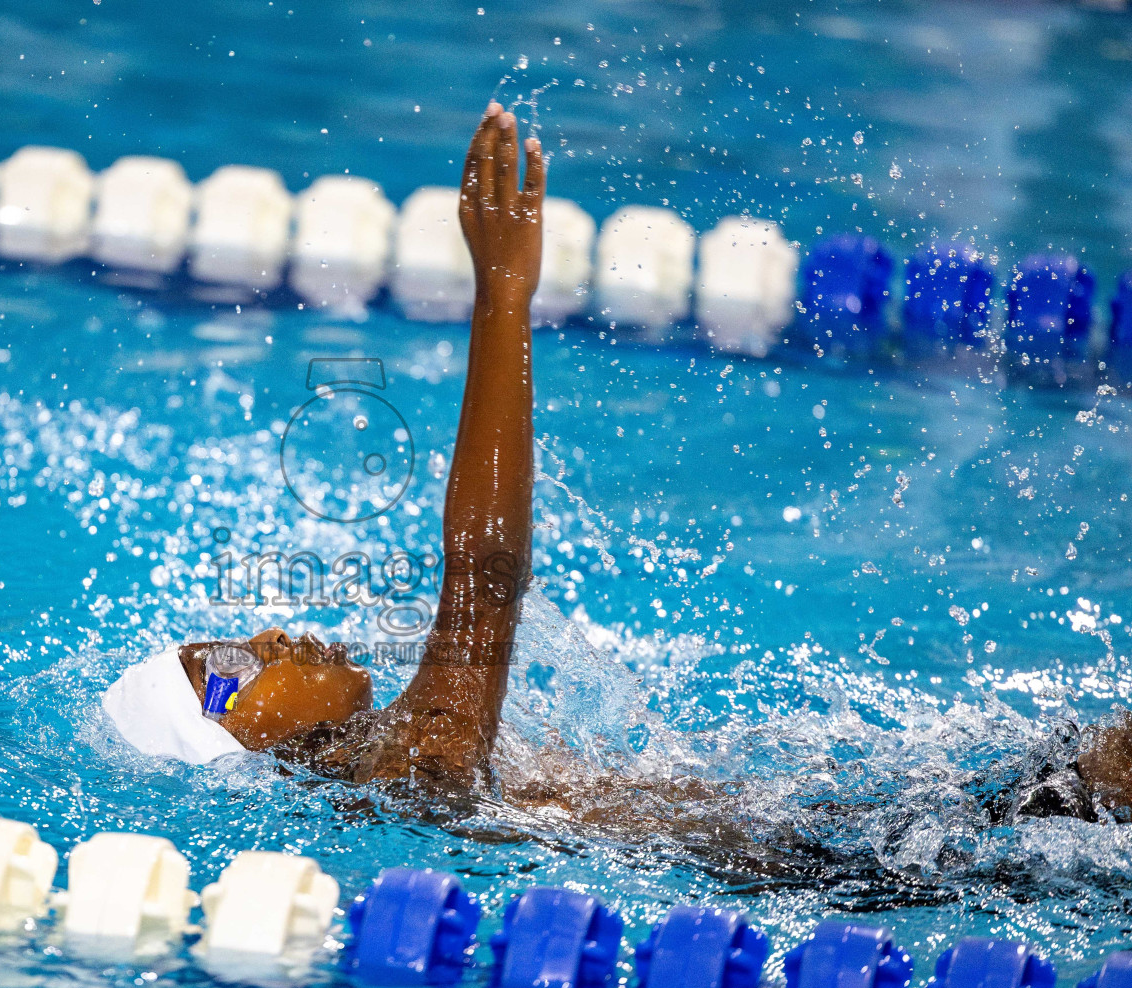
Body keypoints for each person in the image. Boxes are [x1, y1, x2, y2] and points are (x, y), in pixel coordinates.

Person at [101, 102, 1132, 833]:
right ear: (252, 748)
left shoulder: (396, 761)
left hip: (886, 830)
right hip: (859, 864)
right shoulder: (408, 770)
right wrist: (503, 292)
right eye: (228, 670)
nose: (263, 632)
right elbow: (483, 587)